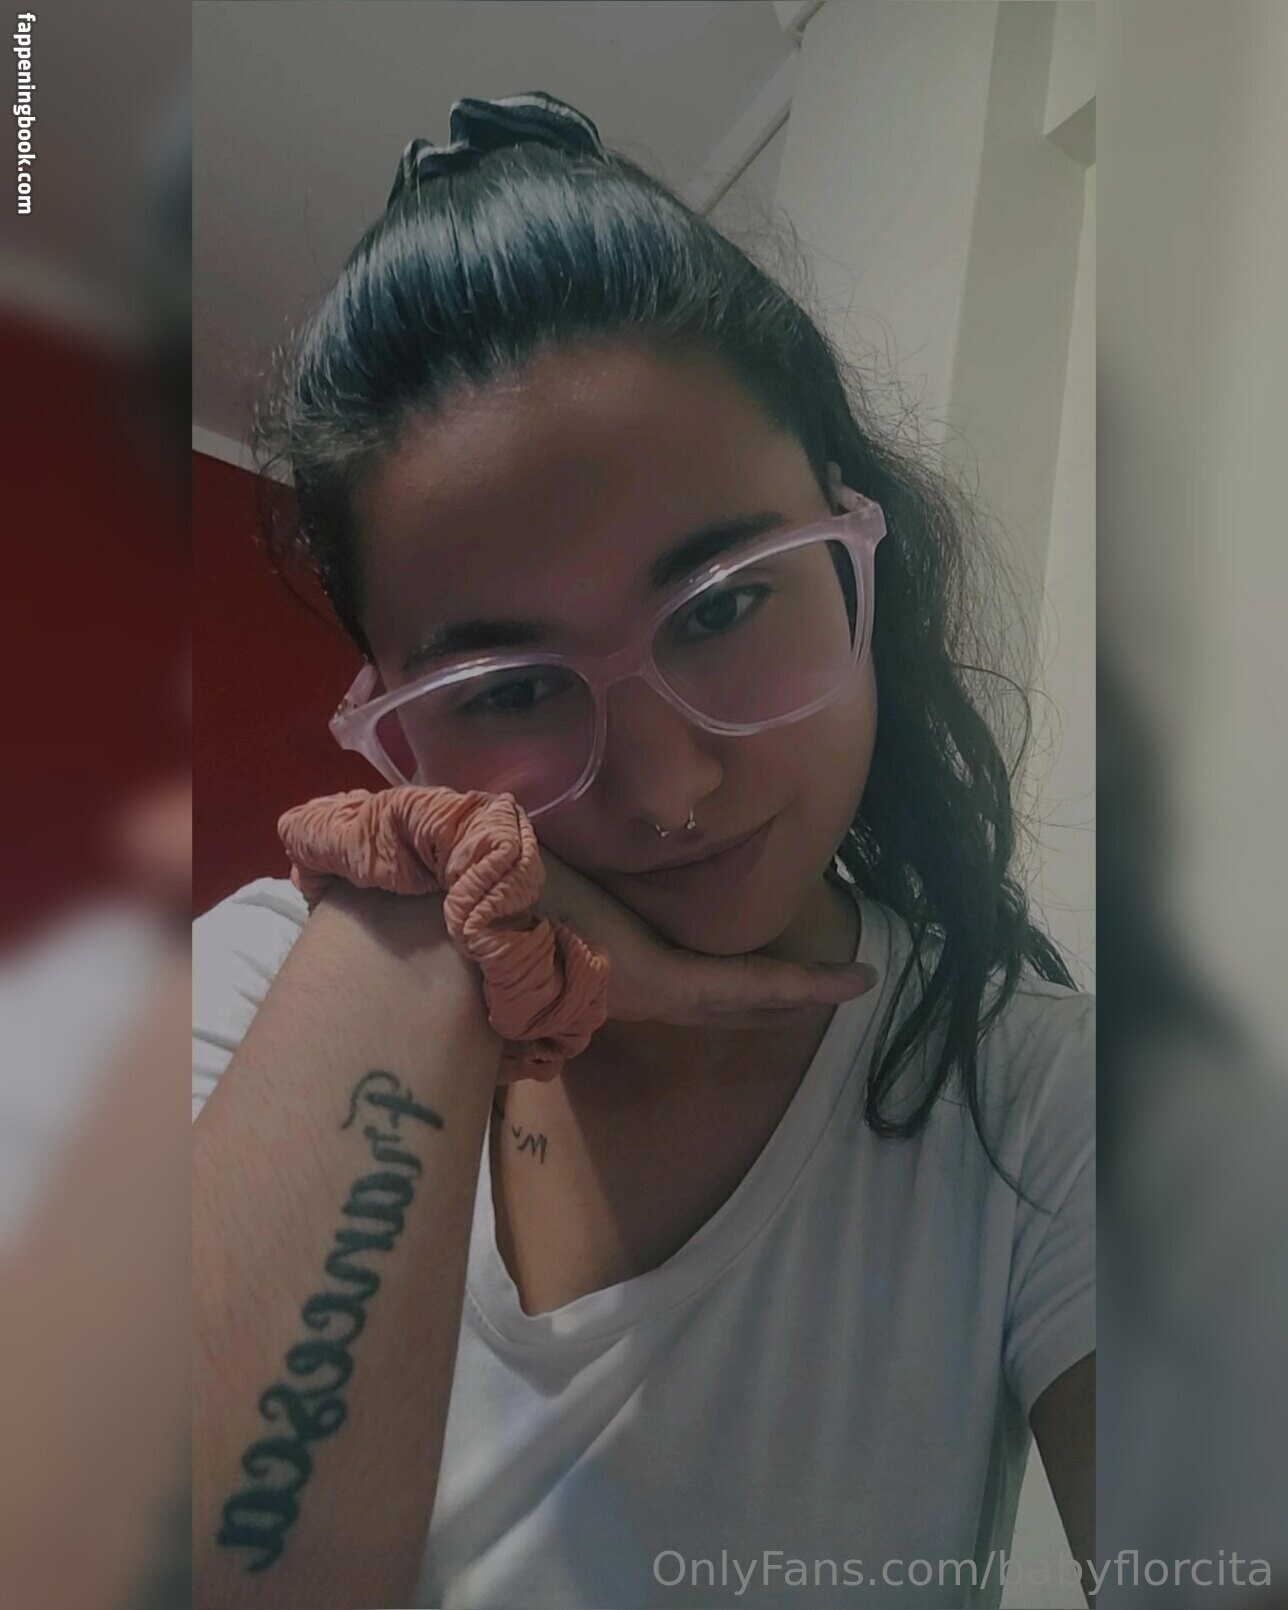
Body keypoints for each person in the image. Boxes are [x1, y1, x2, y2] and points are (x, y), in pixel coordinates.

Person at [193, 92, 1094, 1610]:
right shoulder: (261, 984)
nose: (671, 786)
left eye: (727, 604)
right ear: (398, 733)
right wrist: (437, 933)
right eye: (506, 691)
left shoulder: (1041, 1100)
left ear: (858, 553)